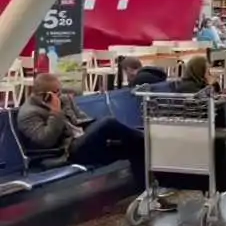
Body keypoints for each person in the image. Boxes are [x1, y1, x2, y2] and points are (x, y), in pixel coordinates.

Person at [16, 74, 176, 210]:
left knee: (136, 147)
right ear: (43, 94)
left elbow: (83, 119)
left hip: (85, 144)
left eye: (60, 90)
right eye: (56, 92)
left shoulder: (64, 100)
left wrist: (91, 128)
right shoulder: (28, 113)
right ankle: (154, 139)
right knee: (109, 123)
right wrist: (55, 112)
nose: (61, 94)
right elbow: (45, 140)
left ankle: (150, 198)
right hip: (67, 151)